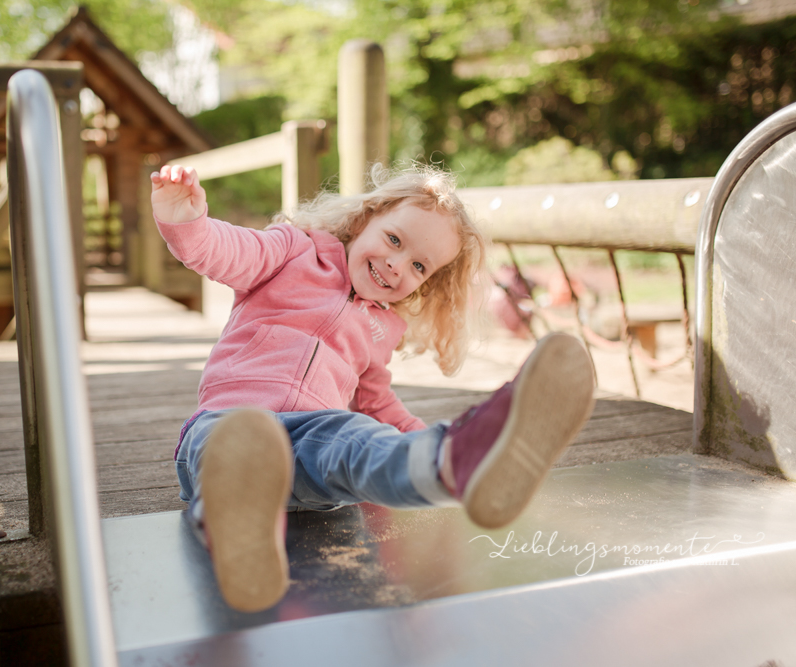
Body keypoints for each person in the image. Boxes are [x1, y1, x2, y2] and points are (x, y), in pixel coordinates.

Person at [150, 163, 594, 613]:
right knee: (235, 443)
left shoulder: (383, 326)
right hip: (227, 428)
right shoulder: (290, 251)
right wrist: (185, 220)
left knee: (354, 439)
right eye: (394, 240)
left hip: (308, 444)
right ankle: (234, 532)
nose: (395, 265)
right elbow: (224, 251)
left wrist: (418, 436)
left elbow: (378, 403)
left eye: (418, 265)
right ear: (365, 219)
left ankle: (452, 461)